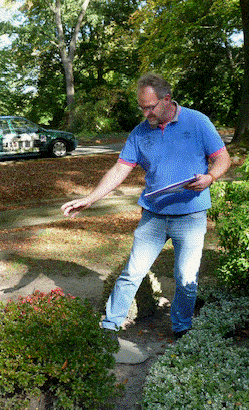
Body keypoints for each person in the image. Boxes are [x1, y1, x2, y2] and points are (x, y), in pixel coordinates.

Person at [61, 73, 231, 340]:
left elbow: (223, 159)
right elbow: (120, 169)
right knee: (132, 272)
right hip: (152, 216)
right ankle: (110, 326)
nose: (146, 113)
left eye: (150, 107)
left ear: (167, 99)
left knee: (186, 277)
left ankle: (182, 328)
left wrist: (210, 177)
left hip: (190, 214)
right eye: (142, 107)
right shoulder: (140, 133)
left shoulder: (197, 122)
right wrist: (90, 198)